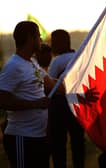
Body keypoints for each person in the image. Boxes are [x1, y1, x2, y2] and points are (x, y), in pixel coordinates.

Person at [0, 21, 64, 168]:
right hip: (22, 138)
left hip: (39, 137)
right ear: (30, 38)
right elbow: (2, 99)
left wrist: (80, 92)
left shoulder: (32, 63)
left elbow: (52, 84)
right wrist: (35, 104)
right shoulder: (13, 66)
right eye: (38, 36)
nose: (41, 39)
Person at [48, 29, 85, 168]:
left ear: (62, 42)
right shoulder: (78, 57)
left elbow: (50, 86)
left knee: (59, 145)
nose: (51, 45)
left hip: (60, 107)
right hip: (77, 104)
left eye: (53, 42)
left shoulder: (57, 61)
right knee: (78, 144)